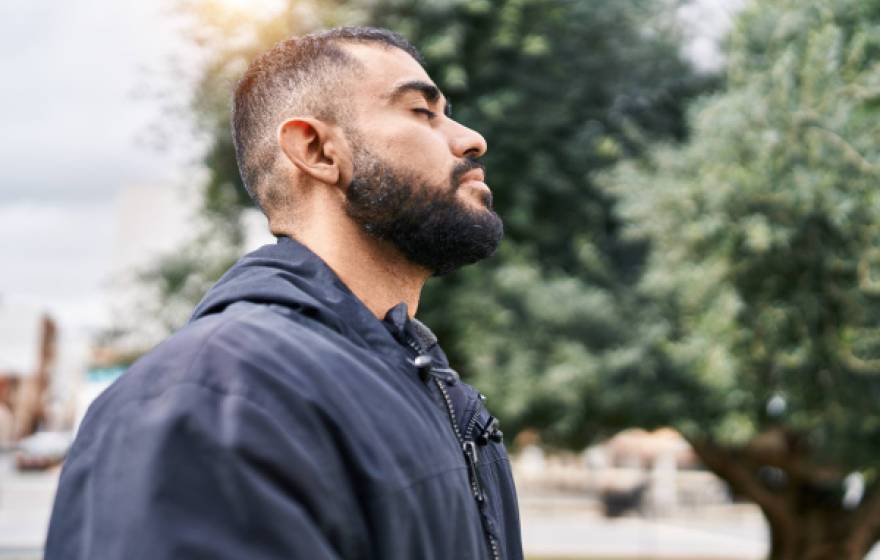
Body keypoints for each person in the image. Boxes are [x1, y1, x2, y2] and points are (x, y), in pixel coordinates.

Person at [45, 26, 522, 560]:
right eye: (420, 111)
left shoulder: (433, 392)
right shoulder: (217, 396)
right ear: (317, 150)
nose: (471, 138)